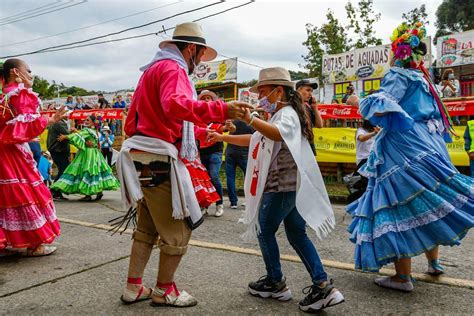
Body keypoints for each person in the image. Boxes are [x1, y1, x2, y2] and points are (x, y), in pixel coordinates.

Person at [115, 22, 251, 308]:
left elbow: (166, 120)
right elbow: (174, 106)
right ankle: (165, 290)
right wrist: (221, 108)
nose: (199, 63)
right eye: (200, 56)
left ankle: (134, 287)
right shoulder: (173, 69)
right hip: (158, 156)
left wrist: (207, 131)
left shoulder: (153, 70)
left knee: (148, 226)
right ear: (191, 49)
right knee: (178, 229)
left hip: (141, 153)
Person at [347, 22, 474, 292]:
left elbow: (385, 104)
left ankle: (402, 277)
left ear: (398, 54)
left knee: (397, 203)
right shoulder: (426, 82)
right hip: (430, 142)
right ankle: (434, 263)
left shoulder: (398, 75)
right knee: (428, 197)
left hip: (404, 145)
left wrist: (362, 103)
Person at [208, 67, 344, 313]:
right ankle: (322, 285)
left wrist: (250, 119)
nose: (260, 97)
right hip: (290, 184)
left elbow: (278, 136)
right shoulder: (281, 114)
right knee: (296, 234)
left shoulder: (287, 114)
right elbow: (257, 139)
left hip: (283, 184)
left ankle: (276, 282)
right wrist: (222, 138)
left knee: (265, 229)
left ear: (278, 90)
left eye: (263, 91)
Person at [0, 58, 68, 256]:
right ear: (15, 72)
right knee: (27, 194)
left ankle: (7, 242)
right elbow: (23, 128)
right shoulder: (20, 95)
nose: (31, 75)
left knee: (7, 197)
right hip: (12, 154)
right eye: (28, 71)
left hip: (4, 151)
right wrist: (50, 119)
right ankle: (35, 244)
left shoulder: (3, 96)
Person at [51, 115, 120, 201]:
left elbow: (79, 135)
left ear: (92, 122)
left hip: (88, 154)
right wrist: (76, 131)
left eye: (87, 120)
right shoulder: (95, 131)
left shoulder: (87, 130)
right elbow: (84, 136)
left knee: (87, 171)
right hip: (95, 153)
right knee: (96, 171)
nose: (85, 121)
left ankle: (88, 195)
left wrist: (65, 137)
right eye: (85, 120)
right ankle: (99, 191)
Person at [197, 90, 230, 217]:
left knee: (213, 176)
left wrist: (229, 127)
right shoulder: (197, 118)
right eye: (203, 98)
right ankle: (204, 205)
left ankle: (219, 204)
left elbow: (224, 128)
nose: (206, 100)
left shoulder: (218, 117)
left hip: (215, 152)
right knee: (203, 179)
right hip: (201, 153)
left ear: (213, 100)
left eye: (208, 98)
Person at [346, 120, 380, 203]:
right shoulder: (361, 131)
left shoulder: (376, 131)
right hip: (364, 161)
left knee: (371, 184)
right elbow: (362, 138)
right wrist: (373, 133)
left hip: (373, 160)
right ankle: (355, 202)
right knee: (364, 185)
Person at [225, 118, 254, 209]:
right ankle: (249, 200)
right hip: (244, 153)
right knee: (249, 177)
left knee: (230, 177)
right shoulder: (250, 122)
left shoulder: (233, 121)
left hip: (230, 152)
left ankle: (233, 202)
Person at [47, 115, 72, 201]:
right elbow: (68, 137)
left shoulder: (57, 123)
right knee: (63, 170)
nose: (68, 116)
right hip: (59, 150)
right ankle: (54, 190)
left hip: (57, 150)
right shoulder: (60, 123)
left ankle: (56, 191)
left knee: (62, 170)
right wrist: (75, 133)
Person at [296, 79, 323, 155]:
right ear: (298, 90)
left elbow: (320, 125)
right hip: (297, 147)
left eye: (311, 91)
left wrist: (315, 108)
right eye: (308, 90)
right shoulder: (291, 106)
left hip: (309, 145)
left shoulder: (308, 107)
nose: (310, 94)